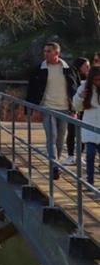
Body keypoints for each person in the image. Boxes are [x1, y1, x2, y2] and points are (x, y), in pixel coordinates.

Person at [26, 42, 81, 180]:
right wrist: (33, 109)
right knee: (51, 136)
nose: (46, 54)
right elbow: (31, 90)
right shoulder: (39, 69)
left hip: (64, 109)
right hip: (47, 108)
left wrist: (75, 110)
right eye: (45, 51)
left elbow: (76, 91)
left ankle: (55, 163)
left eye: (49, 51)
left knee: (60, 138)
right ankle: (55, 167)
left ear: (57, 53)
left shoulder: (69, 70)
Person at [72, 65, 100, 187]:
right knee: (90, 154)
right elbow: (77, 107)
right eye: (96, 79)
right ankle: (90, 181)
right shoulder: (84, 87)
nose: (98, 82)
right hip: (90, 126)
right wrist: (80, 97)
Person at [64, 57, 90, 165]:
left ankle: (80, 156)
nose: (88, 68)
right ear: (80, 66)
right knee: (72, 132)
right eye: (86, 66)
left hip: (85, 107)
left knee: (82, 132)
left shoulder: (89, 77)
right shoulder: (72, 74)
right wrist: (72, 109)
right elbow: (71, 90)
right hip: (73, 106)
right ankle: (70, 155)